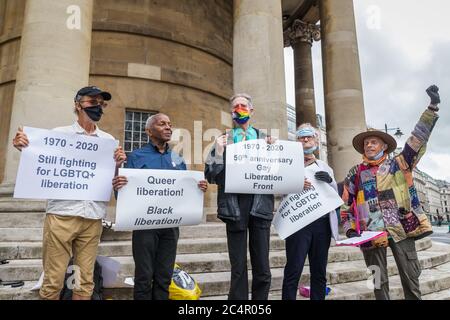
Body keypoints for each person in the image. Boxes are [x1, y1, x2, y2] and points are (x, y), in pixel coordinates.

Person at [12, 86, 126, 300]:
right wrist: (23, 147)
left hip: (93, 218)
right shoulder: (59, 134)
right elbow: (39, 159)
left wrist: (119, 165)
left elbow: (111, 181)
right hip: (62, 215)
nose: (98, 107)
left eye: (102, 104)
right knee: (53, 280)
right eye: (93, 102)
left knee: (85, 282)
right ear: (78, 104)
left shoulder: (108, 140)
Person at [340, 85, 440, 300]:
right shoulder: (355, 173)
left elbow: (417, 139)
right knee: (377, 281)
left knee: (411, 279)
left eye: (373, 142)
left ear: (384, 146)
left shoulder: (399, 164)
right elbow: (346, 205)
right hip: (370, 233)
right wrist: (349, 229)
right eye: (366, 143)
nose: (369, 145)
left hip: (402, 228)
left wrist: (431, 108)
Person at [112, 113, 208, 300]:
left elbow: (184, 191)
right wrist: (118, 183)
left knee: (164, 278)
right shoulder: (136, 157)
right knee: (144, 277)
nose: (168, 128)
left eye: (170, 124)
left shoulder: (177, 158)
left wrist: (198, 188)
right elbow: (122, 195)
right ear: (149, 131)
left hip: (170, 227)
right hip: (144, 227)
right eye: (162, 124)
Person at [205, 93, 274, 300]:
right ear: (231, 113)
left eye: (243, 106)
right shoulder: (222, 140)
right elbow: (210, 175)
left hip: (260, 205)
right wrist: (218, 152)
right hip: (234, 206)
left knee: (262, 265)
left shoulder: (266, 139)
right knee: (238, 266)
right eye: (235, 107)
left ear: (251, 111)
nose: (239, 109)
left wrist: (277, 151)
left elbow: (279, 172)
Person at [281, 123, 339, 300]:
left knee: (319, 272)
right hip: (298, 224)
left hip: (322, 225)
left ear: (316, 140)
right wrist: (295, 183)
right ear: (296, 141)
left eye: (309, 136)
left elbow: (334, 197)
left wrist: (330, 181)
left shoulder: (325, 167)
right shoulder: (288, 164)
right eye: (301, 136)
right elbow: (278, 188)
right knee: (293, 269)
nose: (305, 139)